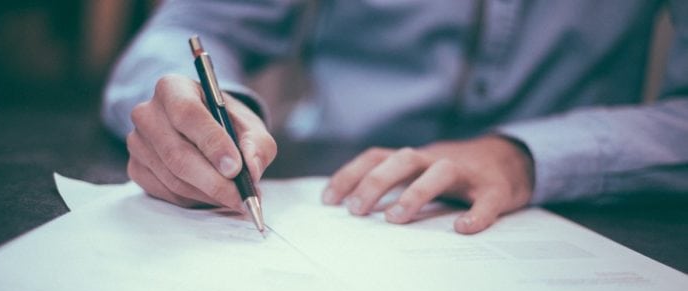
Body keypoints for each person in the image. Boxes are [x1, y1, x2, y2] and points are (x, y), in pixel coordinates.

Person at [102, 0, 688, 234]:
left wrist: (525, 155)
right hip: (332, 186)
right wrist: (211, 111)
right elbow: (188, 28)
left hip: (573, 210)